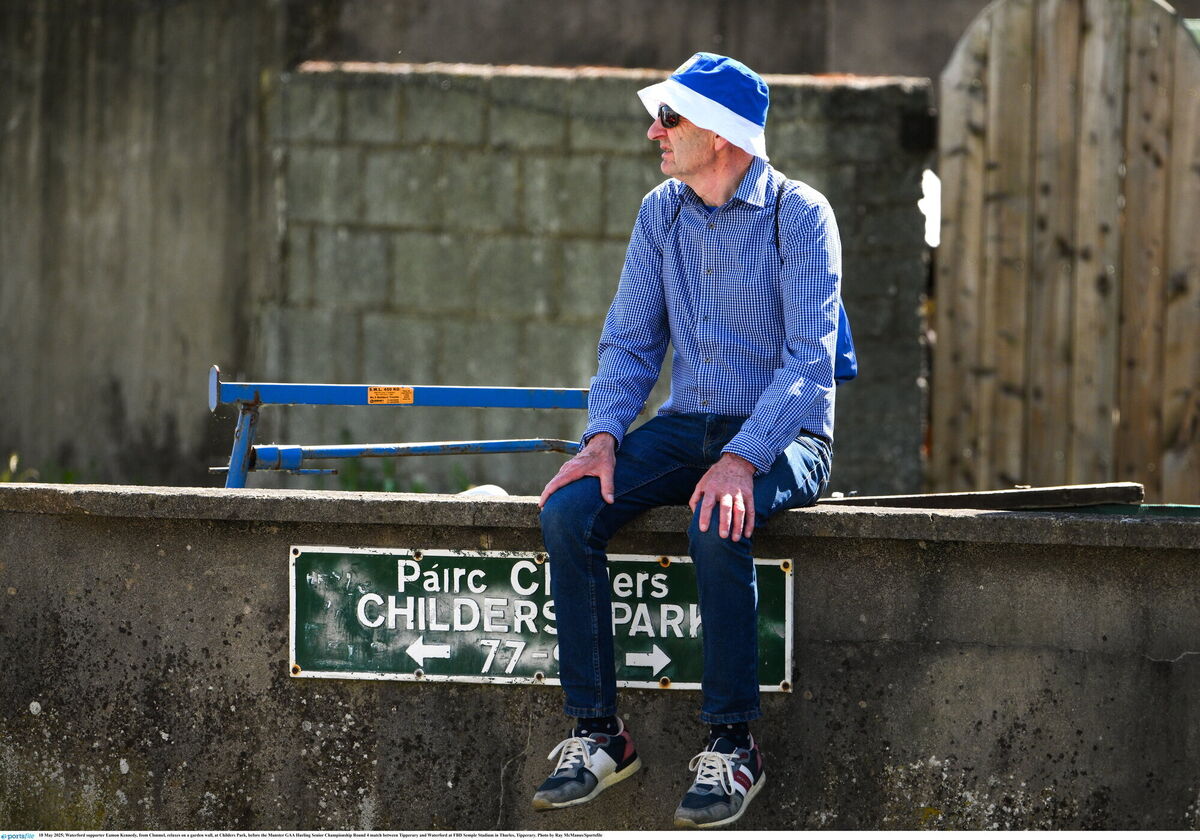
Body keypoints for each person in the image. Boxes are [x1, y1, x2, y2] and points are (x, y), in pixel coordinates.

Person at [532, 52, 849, 829]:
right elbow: (631, 344)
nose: (654, 131)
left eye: (669, 118)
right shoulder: (661, 212)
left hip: (786, 438)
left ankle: (734, 745)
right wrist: (603, 436)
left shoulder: (800, 216)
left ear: (723, 133)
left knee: (719, 519)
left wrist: (743, 458)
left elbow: (810, 364)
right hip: (686, 428)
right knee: (570, 510)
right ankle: (599, 733)